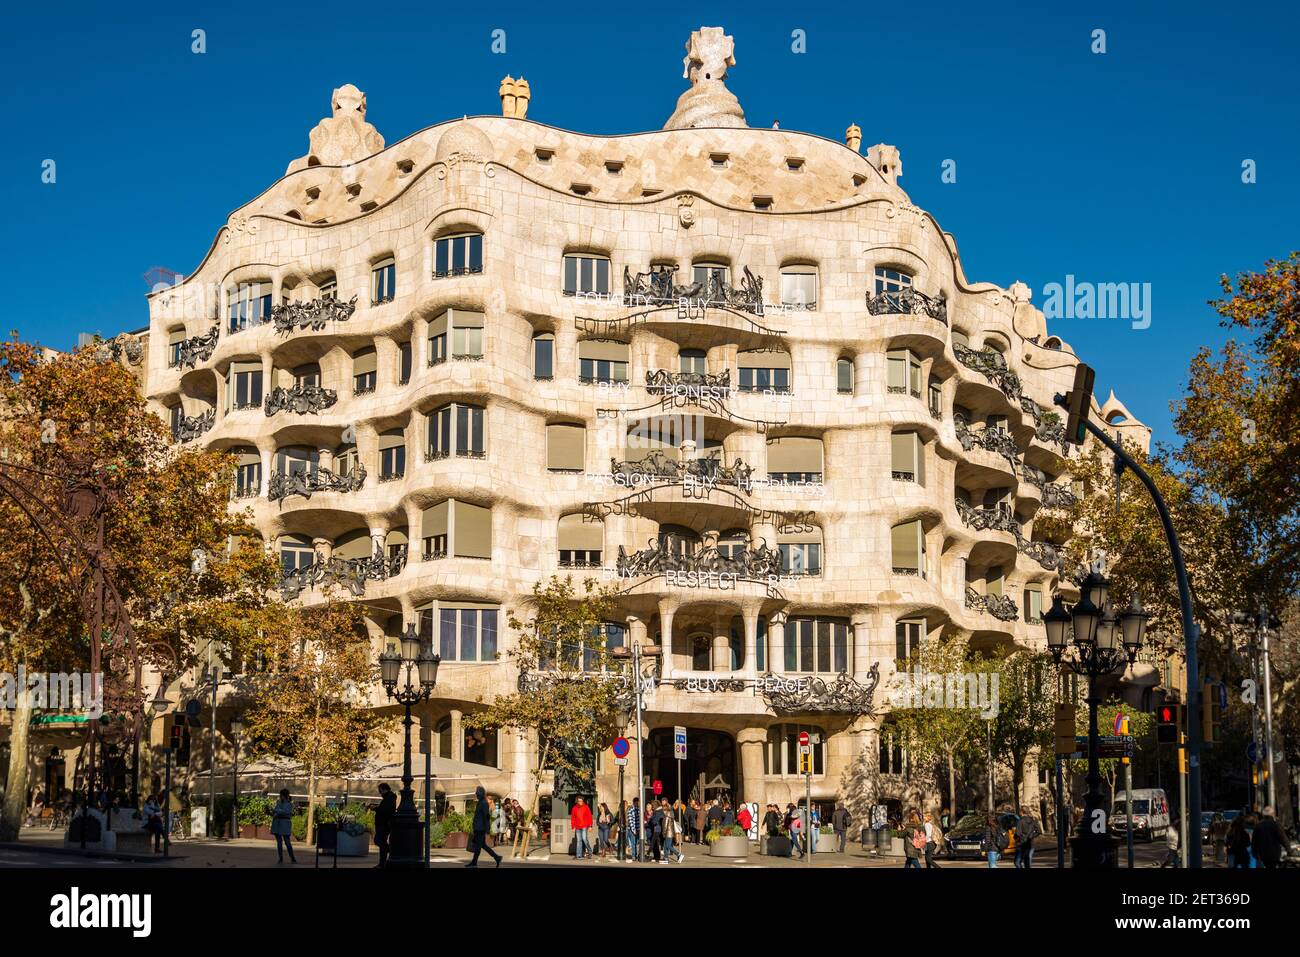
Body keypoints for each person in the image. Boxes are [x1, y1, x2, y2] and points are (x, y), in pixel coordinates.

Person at [467, 785, 503, 867]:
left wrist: (487, 828)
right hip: (478, 827)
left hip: (480, 828)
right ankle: (497, 857)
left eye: (477, 793)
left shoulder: (483, 803)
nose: (476, 794)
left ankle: (474, 862)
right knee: (482, 845)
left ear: (480, 793)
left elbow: (486, 816)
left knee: (478, 846)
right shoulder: (480, 802)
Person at [270, 789, 297, 864]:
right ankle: (280, 858)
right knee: (279, 842)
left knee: (287, 842)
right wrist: (274, 812)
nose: (280, 796)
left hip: (285, 823)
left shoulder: (289, 804)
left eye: (281, 795)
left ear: (284, 796)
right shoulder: (278, 803)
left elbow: (286, 812)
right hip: (277, 823)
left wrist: (277, 811)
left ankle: (292, 858)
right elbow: (276, 810)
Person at [372, 783, 396, 867]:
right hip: (383, 824)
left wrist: (376, 809)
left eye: (380, 790)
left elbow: (385, 811)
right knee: (381, 842)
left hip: (383, 824)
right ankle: (382, 863)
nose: (380, 792)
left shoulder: (389, 798)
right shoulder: (388, 798)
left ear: (384, 789)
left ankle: (392, 851)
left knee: (380, 842)